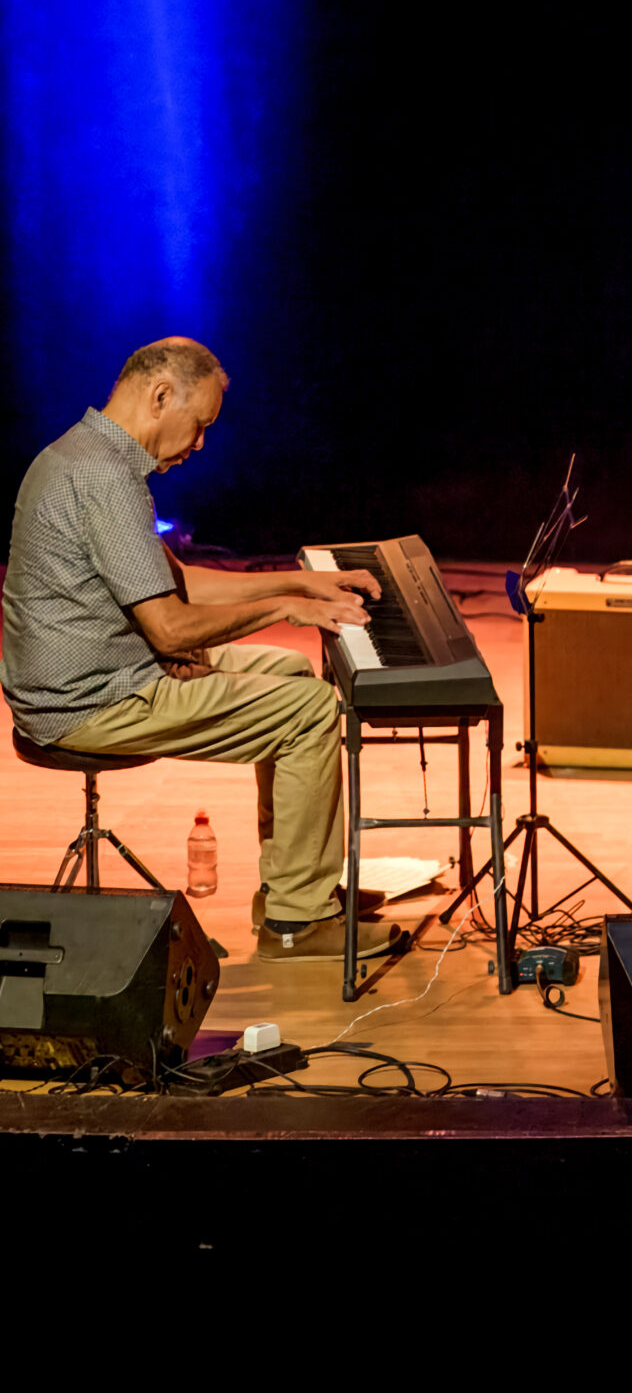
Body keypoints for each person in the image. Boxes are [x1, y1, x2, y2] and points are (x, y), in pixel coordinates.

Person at [2, 339, 395, 962]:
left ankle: (293, 889)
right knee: (313, 711)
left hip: (107, 668)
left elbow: (180, 584)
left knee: (293, 671)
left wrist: (301, 583)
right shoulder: (104, 475)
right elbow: (169, 629)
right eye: (201, 423)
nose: (201, 443)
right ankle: (298, 921)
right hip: (89, 700)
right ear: (161, 396)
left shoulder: (86, 453)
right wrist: (283, 608)